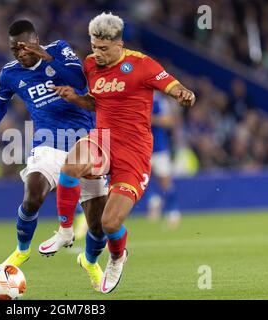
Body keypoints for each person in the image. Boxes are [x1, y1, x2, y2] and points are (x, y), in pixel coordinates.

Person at [49, 12, 195, 293]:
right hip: (102, 140)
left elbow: (175, 87)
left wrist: (184, 94)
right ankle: (65, 229)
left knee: (109, 222)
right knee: (70, 166)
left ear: (119, 44)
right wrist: (77, 98)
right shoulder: (91, 65)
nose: (97, 54)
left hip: (135, 152)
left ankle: (117, 258)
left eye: (104, 48)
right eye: (94, 47)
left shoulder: (142, 65)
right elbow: (97, 103)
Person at [0, 20, 108, 269]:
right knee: (33, 195)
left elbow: (80, 82)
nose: (20, 54)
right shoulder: (10, 74)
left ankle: (89, 262)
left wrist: (45, 57)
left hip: (85, 141)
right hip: (48, 144)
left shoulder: (59, 49)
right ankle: (22, 250)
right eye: (15, 49)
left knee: (99, 227)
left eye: (24, 47)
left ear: (35, 39)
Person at [147, 92, 181, 229]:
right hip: (142, 148)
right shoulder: (134, 98)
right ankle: (153, 200)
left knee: (165, 183)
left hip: (159, 148)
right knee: (138, 179)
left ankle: (173, 212)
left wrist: (150, 119)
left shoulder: (158, 100)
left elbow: (169, 121)